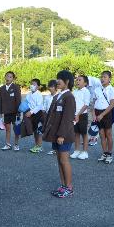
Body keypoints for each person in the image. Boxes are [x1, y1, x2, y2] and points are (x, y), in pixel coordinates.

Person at [43, 70, 76, 198]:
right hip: (56, 135)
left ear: (67, 82)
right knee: (59, 160)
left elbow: (68, 118)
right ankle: (62, 185)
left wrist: (62, 135)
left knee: (64, 160)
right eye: (57, 79)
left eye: (60, 79)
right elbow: (51, 115)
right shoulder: (58, 96)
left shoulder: (69, 97)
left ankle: (69, 187)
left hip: (64, 135)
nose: (57, 81)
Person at [93, 71, 114, 164]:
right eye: (101, 77)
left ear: (109, 79)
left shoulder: (111, 89)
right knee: (101, 134)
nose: (102, 79)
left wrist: (102, 114)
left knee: (108, 134)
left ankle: (110, 154)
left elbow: (112, 104)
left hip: (106, 113)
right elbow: (93, 103)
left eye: (105, 77)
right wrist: (94, 114)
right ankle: (104, 153)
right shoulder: (97, 89)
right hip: (98, 113)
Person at [0, 71, 21, 151]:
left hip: (15, 113)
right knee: (7, 129)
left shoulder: (16, 87)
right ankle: (7, 144)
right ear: (5, 77)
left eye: (10, 77)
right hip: (6, 112)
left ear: (13, 79)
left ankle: (16, 144)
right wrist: (0, 111)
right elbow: (0, 100)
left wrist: (19, 112)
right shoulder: (2, 88)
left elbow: (18, 100)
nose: (8, 78)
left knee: (16, 129)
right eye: (7, 76)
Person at [70, 75, 91, 160]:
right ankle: (77, 150)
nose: (77, 81)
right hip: (74, 115)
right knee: (76, 133)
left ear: (85, 83)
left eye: (80, 80)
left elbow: (86, 104)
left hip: (82, 115)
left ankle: (85, 152)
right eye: (77, 80)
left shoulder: (86, 91)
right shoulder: (75, 91)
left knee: (84, 133)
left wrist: (78, 114)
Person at [25, 78, 44, 153]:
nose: (32, 85)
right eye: (31, 84)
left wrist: (31, 112)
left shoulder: (39, 94)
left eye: (34, 84)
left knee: (39, 130)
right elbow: (26, 103)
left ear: (38, 87)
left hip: (38, 113)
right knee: (34, 130)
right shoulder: (29, 94)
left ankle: (39, 146)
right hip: (31, 114)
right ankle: (36, 145)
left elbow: (39, 106)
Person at [43, 79, 59, 155]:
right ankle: (54, 149)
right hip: (48, 116)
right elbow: (45, 108)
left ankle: (58, 149)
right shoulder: (47, 97)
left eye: (52, 86)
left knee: (56, 132)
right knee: (52, 132)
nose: (50, 88)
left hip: (56, 117)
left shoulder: (59, 96)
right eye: (49, 86)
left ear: (56, 87)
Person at [86, 75, 102, 146]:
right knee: (88, 121)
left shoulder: (96, 81)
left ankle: (94, 139)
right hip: (88, 102)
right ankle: (88, 138)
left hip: (96, 103)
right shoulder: (83, 82)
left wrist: (94, 107)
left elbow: (100, 93)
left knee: (94, 122)